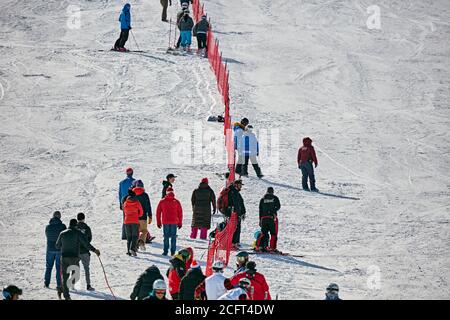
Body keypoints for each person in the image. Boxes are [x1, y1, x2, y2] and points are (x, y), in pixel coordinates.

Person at [55, 219, 100, 300]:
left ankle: (64, 291)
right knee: (76, 276)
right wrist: (94, 250)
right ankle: (66, 294)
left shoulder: (62, 233)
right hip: (74, 258)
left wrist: (64, 246)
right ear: (75, 225)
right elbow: (86, 244)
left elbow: (57, 246)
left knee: (65, 277)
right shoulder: (78, 233)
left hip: (64, 258)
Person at [44, 211, 66, 295]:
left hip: (50, 249)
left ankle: (46, 282)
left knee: (49, 266)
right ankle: (59, 284)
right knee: (58, 267)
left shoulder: (48, 227)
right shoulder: (63, 226)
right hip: (59, 249)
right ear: (59, 217)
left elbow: (47, 235)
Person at [157, 187, 183, 255]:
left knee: (166, 237)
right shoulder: (177, 201)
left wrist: (158, 222)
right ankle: (173, 252)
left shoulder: (162, 201)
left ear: (166, 193)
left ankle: (165, 251)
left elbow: (158, 212)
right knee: (173, 237)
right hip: (174, 222)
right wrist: (180, 222)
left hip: (165, 222)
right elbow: (180, 213)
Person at [255, 187, 281, 252]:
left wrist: (260, 220)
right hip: (271, 218)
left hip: (263, 219)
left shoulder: (262, 199)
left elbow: (260, 210)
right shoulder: (275, 198)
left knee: (264, 233)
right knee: (273, 233)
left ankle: (262, 246)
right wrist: (274, 211)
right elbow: (278, 206)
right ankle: (272, 248)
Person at [132, 180, 153, 251]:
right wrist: (150, 216)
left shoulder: (132, 194)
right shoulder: (145, 195)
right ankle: (141, 241)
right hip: (143, 217)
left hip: (134, 216)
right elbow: (148, 206)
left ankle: (135, 245)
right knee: (144, 231)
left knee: (136, 231)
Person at [76, 212, 95, 291]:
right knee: (86, 268)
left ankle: (74, 284)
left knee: (75, 267)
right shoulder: (87, 228)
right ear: (84, 218)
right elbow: (90, 238)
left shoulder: (74, 227)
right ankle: (88, 285)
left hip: (76, 251)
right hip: (85, 251)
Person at [123, 189, 144, 256]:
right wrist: (137, 215)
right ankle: (132, 249)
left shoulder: (125, 202)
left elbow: (124, 211)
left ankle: (128, 251)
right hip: (135, 221)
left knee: (129, 237)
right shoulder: (137, 202)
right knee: (135, 236)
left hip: (127, 221)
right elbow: (141, 212)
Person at [226, 180, 246, 248]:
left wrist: (243, 212)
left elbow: (241, 203)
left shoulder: (236, 192)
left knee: (237, 227)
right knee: (234, 228)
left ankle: (236, 242)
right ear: (236, 185)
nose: (241, 187)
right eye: (240, 185)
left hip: (236, 213)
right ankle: (233, 243)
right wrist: (239, 214)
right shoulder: (233, 192)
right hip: (233, 213)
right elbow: (236, 204)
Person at [119, 167, 135, 240]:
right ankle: (132, 234)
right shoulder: (134, 182)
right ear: (132, 173)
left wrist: (120, 203)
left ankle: (124, 235)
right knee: (133, 218)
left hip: (123, 202)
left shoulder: (121, 183)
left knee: (125, 218)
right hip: (132, 201)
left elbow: (120, 194)